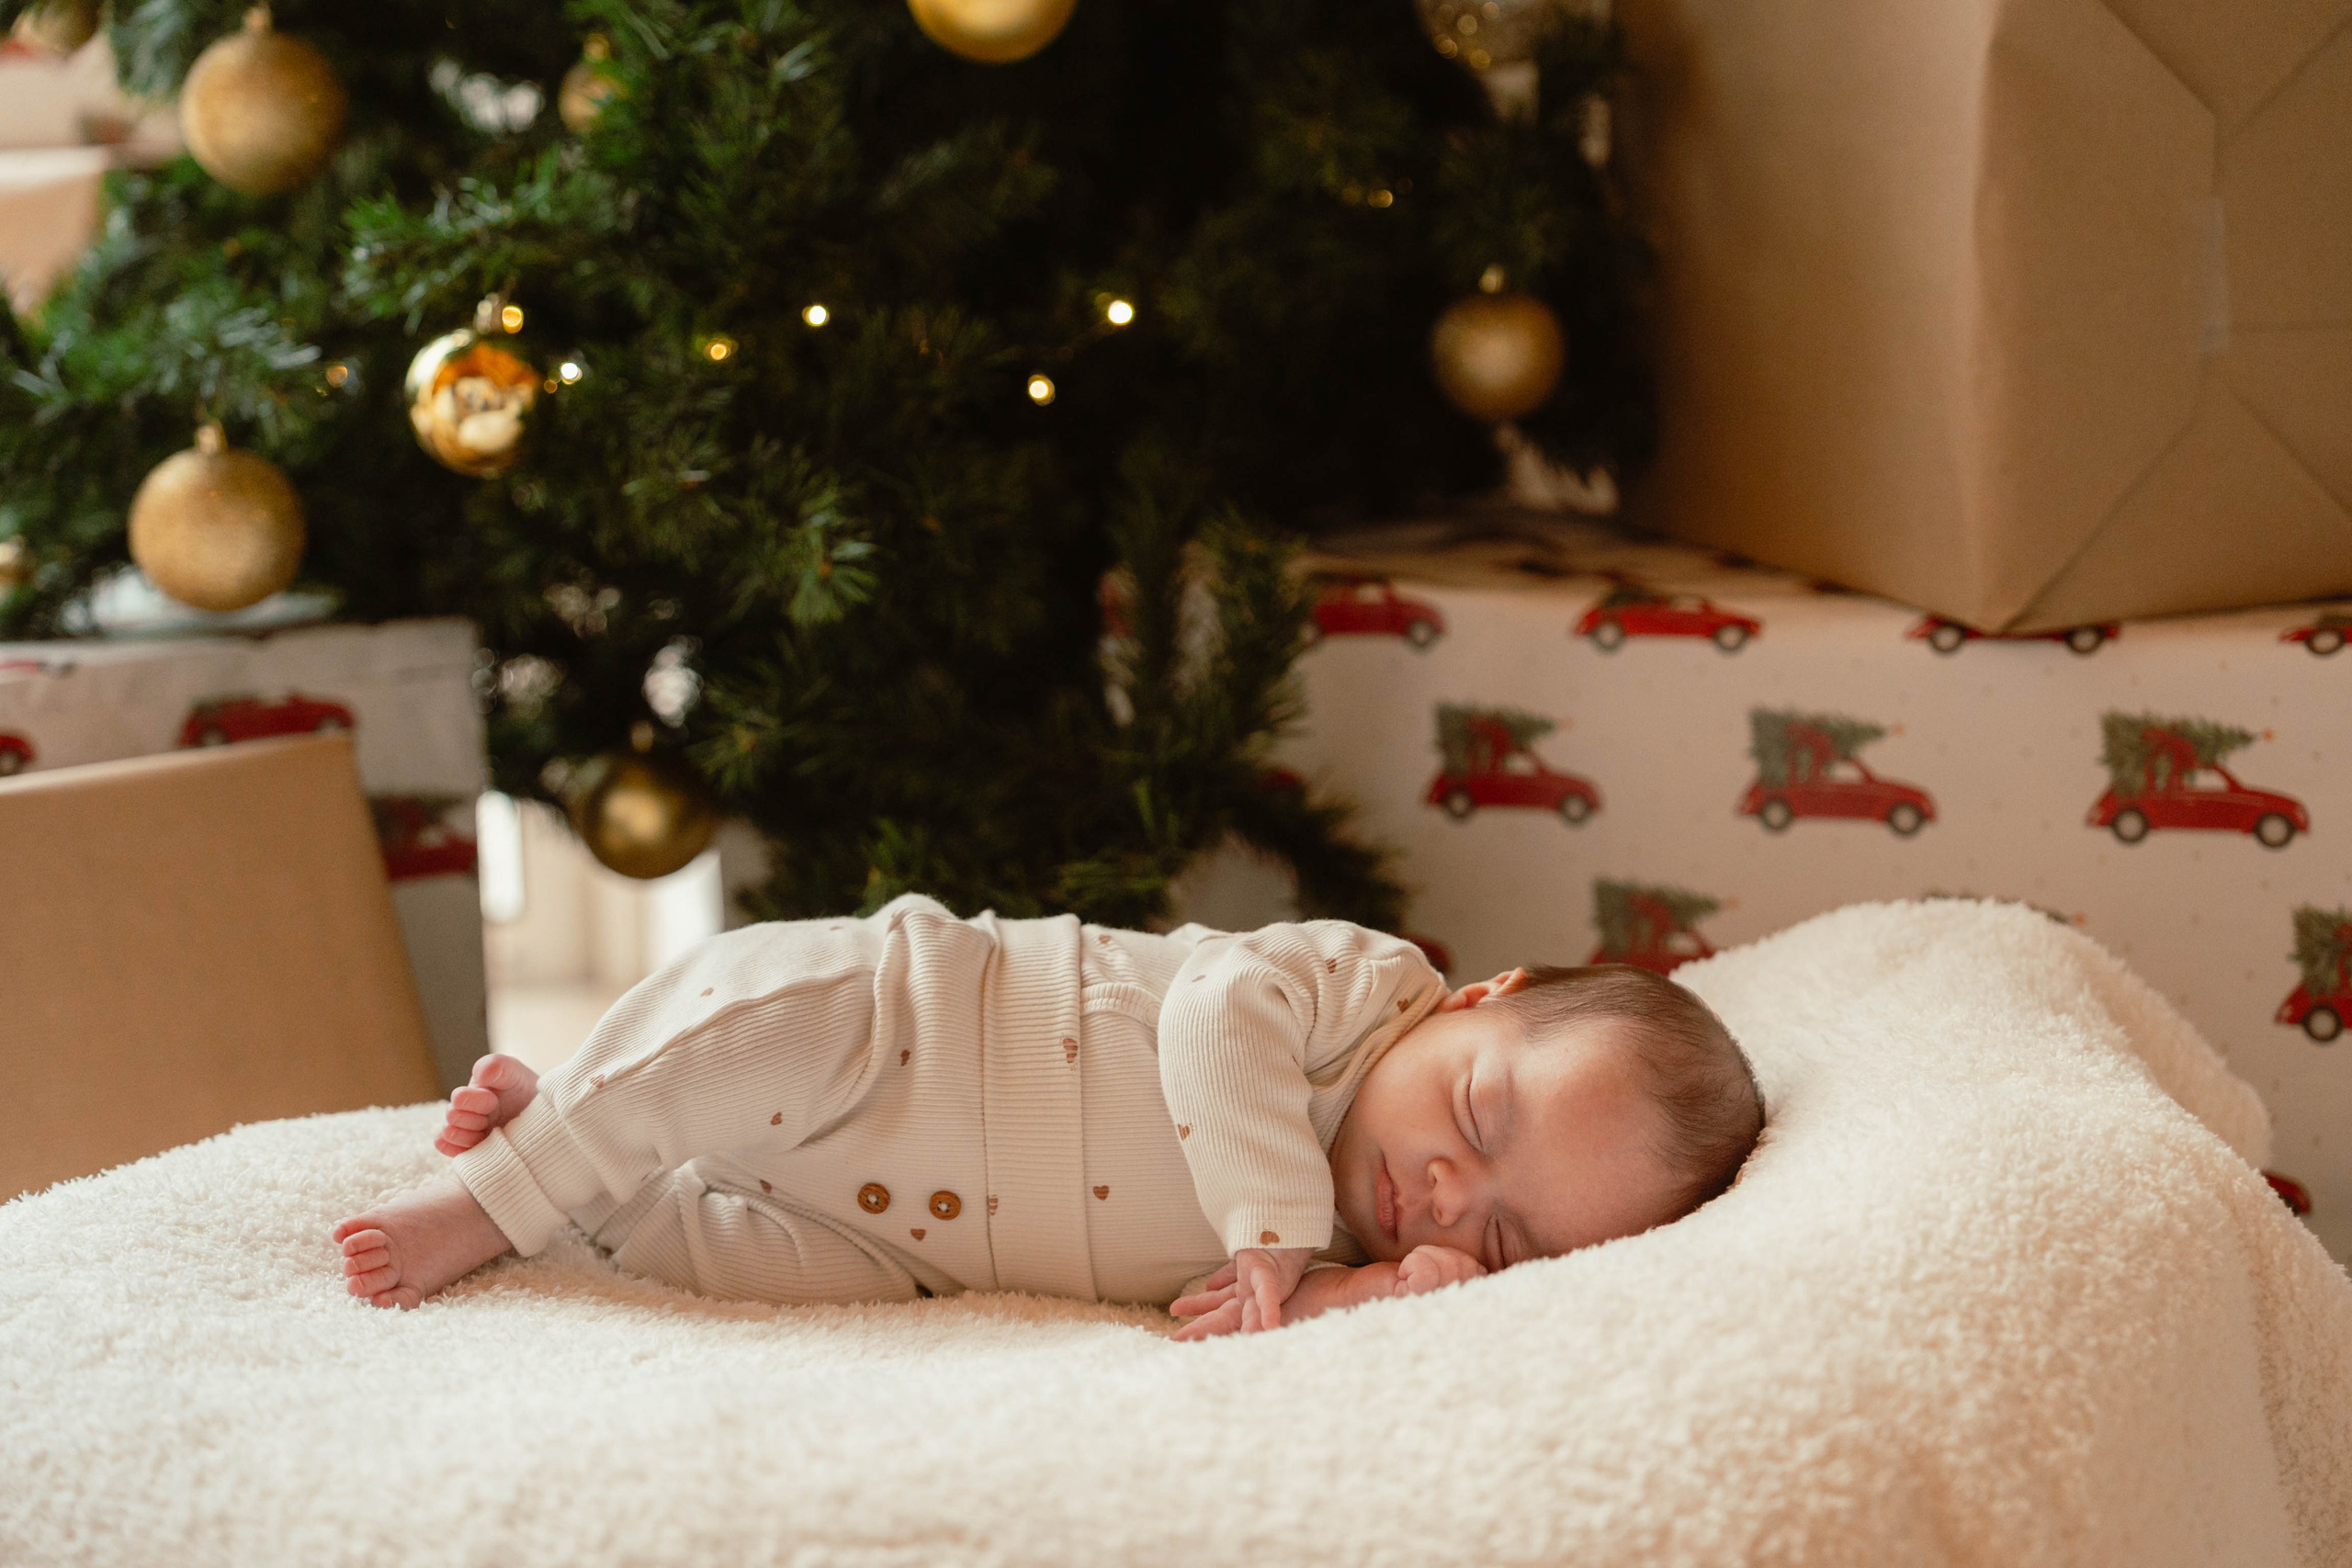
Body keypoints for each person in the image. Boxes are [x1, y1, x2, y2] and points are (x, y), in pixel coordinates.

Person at [334, 895, 1762, 1338]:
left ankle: (587, 1153)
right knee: (749, 1032)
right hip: (907, 1034)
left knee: (726, 1263)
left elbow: (1294, 1327)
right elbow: (1211, 1011)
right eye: (1479, 1113)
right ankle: (499, 1189)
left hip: (906, 1243)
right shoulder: (1362, 989)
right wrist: (1271, 1231)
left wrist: (1381, 1290)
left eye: (1503, 1237)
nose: (1450, 1189)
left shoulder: (1338, 1258)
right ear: (1479, 1001)